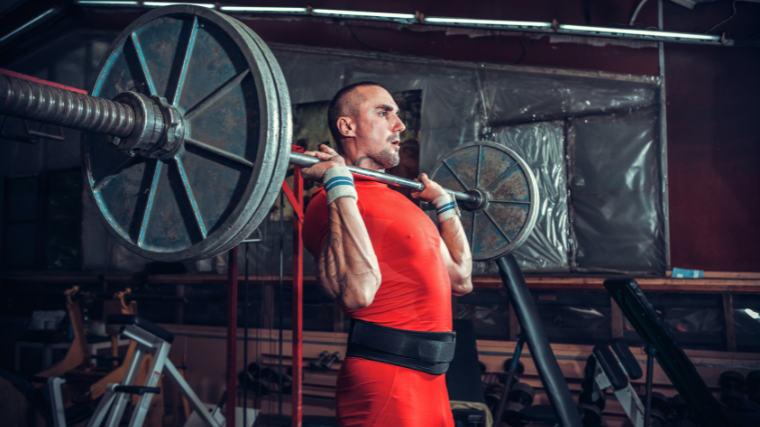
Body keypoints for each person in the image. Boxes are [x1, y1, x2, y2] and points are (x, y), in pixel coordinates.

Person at [301, 81, 473, 427]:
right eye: (383, 113)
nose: (400, 125)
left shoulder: (400, 201)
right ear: (347, 126)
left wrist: (444, 204)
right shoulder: (327, 204)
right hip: (387, 379)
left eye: (397, 114)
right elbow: (357, 293)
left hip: (433, 379)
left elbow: (460, 277)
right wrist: (337, 181)